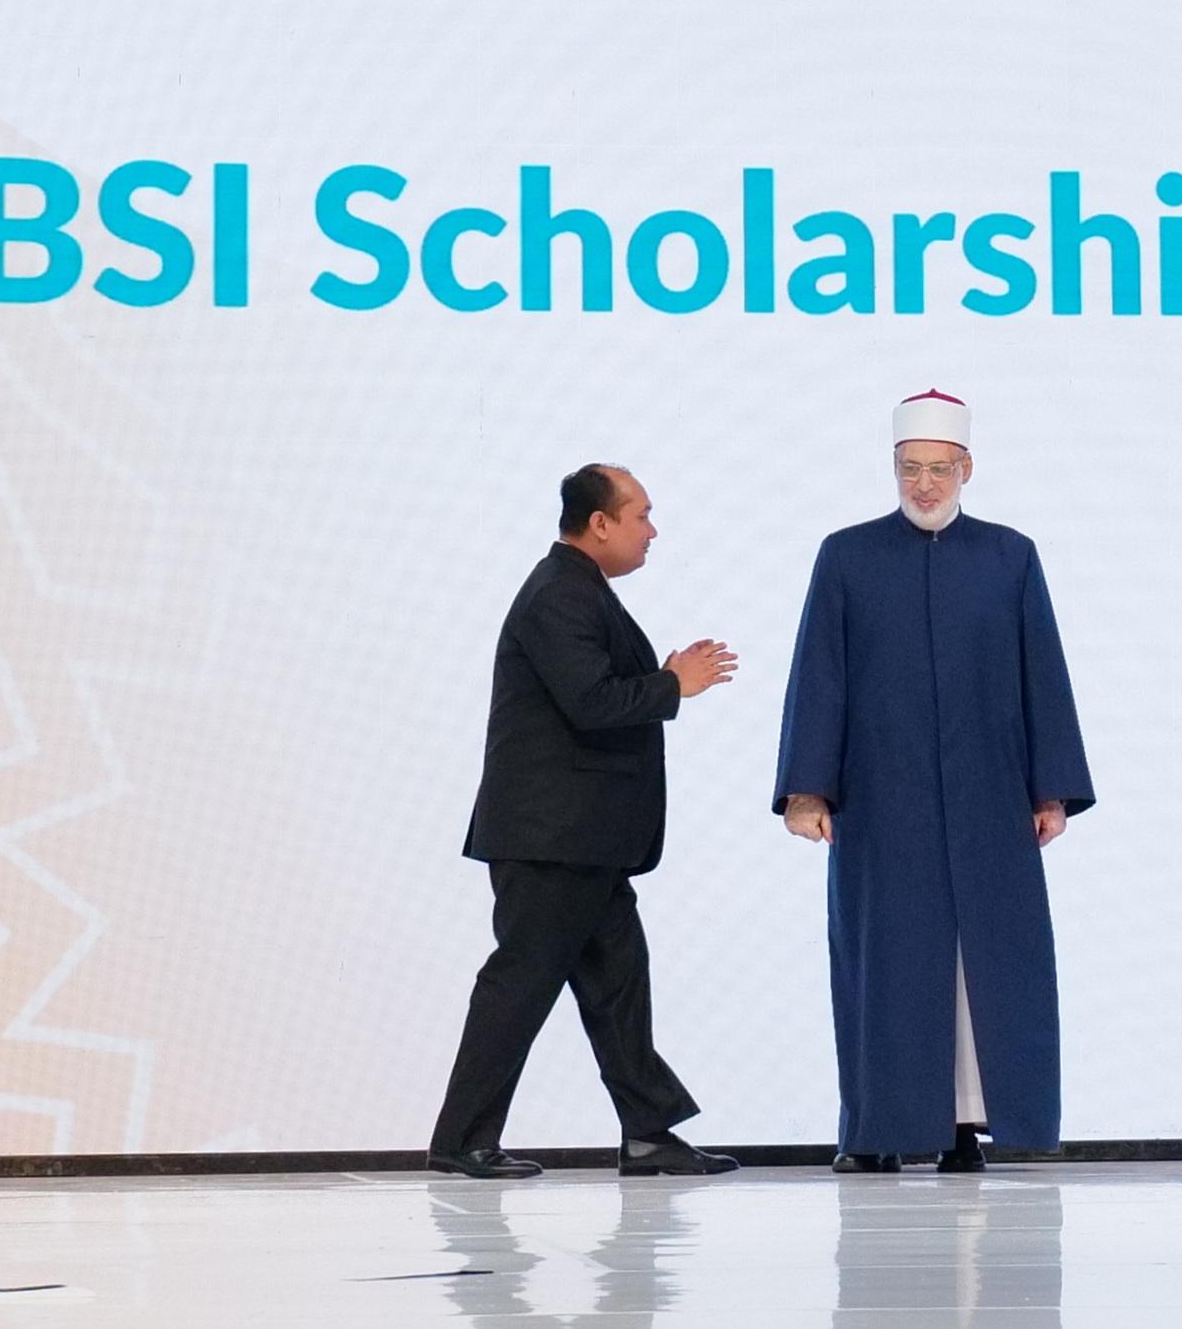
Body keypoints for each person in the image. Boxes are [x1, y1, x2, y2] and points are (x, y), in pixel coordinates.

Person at [774, 389, 1096, 1174]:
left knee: (986, 967)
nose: (924, 484)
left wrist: (1050, 789)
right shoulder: (846, 555)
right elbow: (820, 674)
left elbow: (1042, 674)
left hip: (990, 793)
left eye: (939, 469)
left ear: (967, 469)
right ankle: (876, 1128)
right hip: (882, 795)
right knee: (887, 963)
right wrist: (808, 789)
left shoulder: (1010, 555)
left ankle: (965, 1126)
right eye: (910, 468)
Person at [428, 464, 740, 1179]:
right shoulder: (559, 594)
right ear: (600, 523)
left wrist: (662, 679)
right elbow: (592, 702)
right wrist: (672, 684)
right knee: (521, 982)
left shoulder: (577, 588)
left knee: (618, 980)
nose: (652, 530)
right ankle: (460, 1139)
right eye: (641, 515)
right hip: (552, 841)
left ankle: (648, 1133)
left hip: (582, 843)